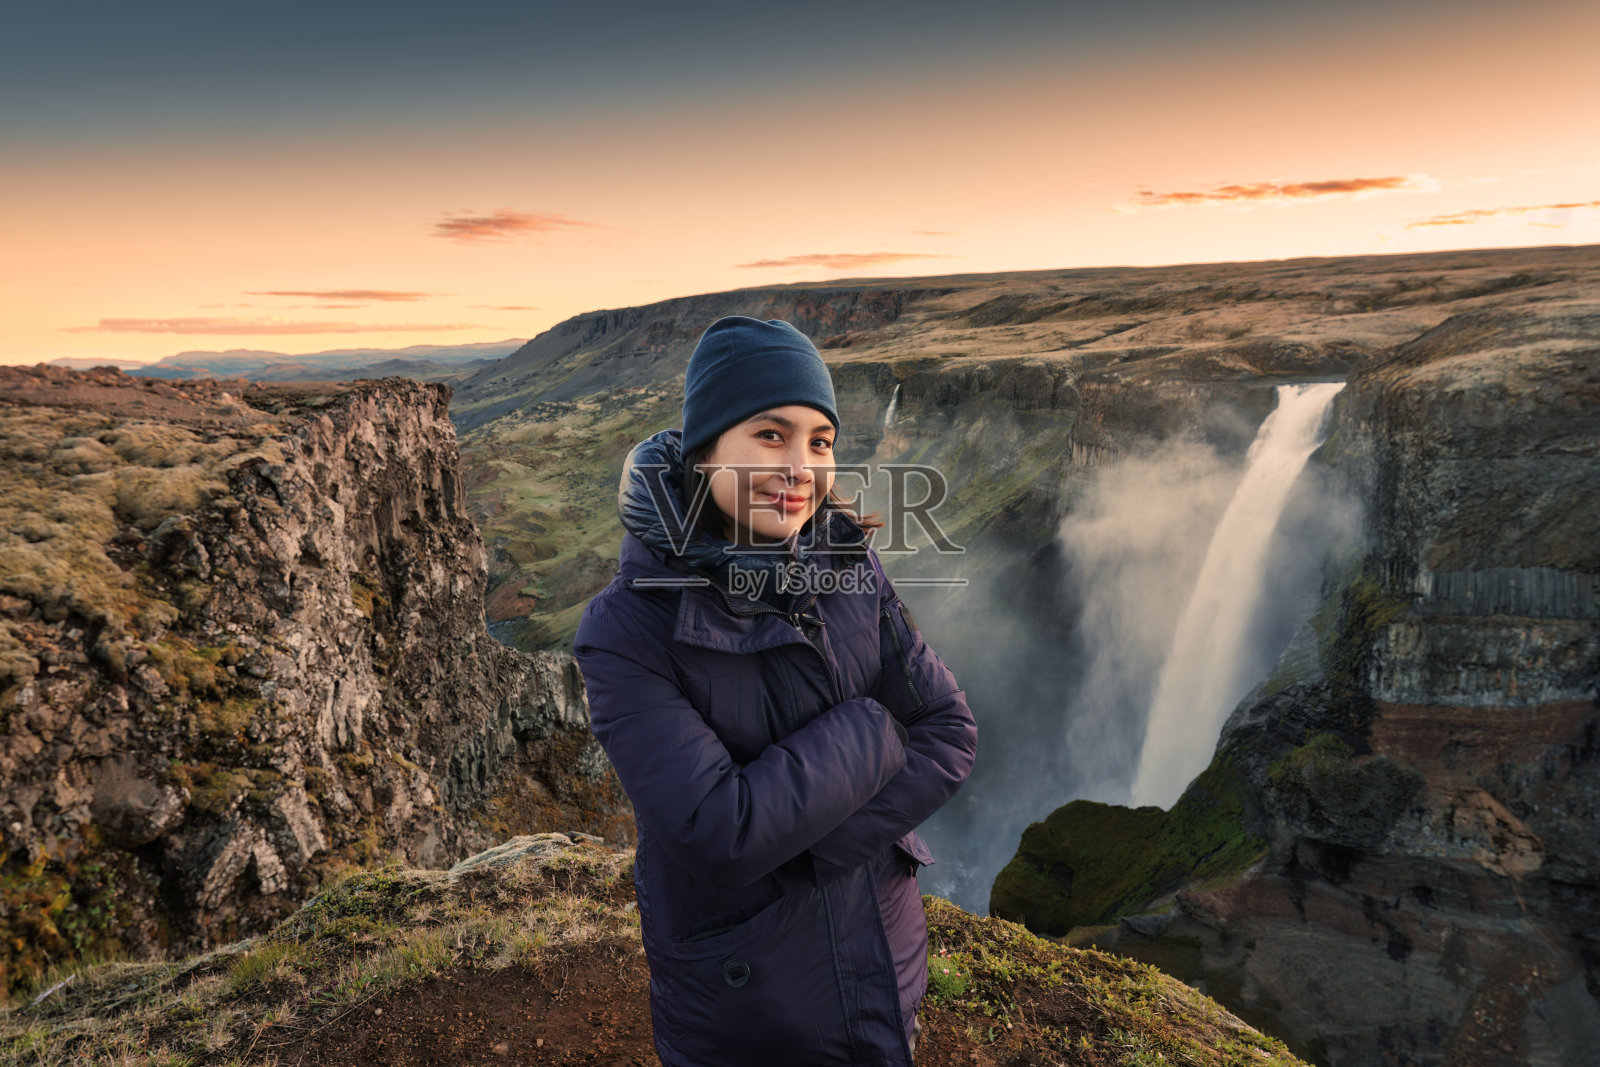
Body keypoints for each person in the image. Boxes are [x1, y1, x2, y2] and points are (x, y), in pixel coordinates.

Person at [571, 316, 977, 1065]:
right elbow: (721, 832)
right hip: (749, 1007)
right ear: (704, 452)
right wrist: (874, 729)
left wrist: (806, 852)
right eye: (769, 434)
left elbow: (950, 730)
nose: (801, 467)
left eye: (820, 441)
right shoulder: (626, 627)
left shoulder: (848, 563)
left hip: (886, 960)